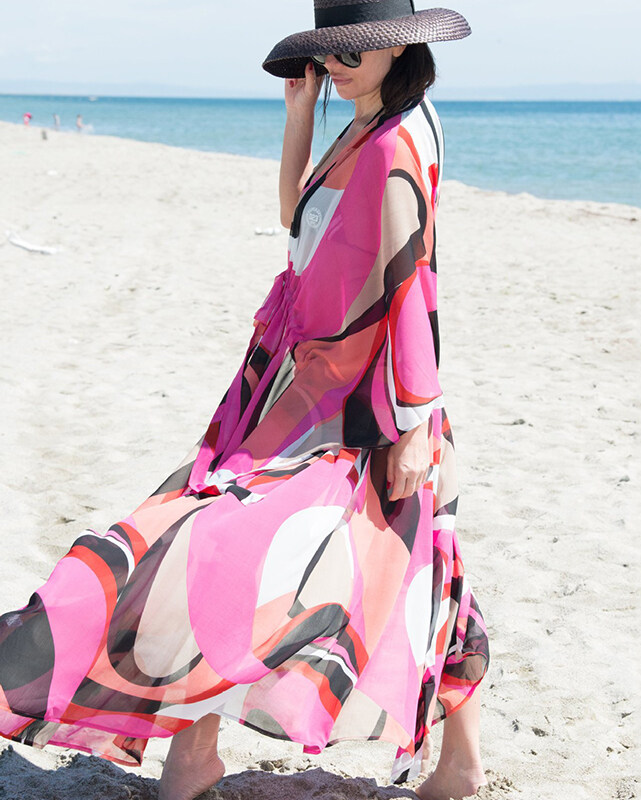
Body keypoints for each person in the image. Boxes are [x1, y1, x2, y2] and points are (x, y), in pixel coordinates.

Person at [0, 2, 489, 800]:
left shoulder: (394, 141)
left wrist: (412, 422)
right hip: (301, 382)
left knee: (228, 540)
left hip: (359, 401)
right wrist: (299, 114)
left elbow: (413, 281)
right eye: (328, 53)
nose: (335, 67)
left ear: (399, 45)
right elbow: (300, 222)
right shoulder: (369, 123)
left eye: (352, 52)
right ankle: (213, 753)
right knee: (408, 558)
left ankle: (201, 754)